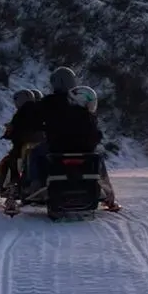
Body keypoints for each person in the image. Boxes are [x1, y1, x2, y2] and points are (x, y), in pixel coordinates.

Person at [22, 67, 102, 197]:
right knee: (97, 157)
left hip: (57, 146)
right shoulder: (80, 100)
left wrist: (39, 126)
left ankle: (35, 184)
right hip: (84, 148)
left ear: (56, 82)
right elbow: (93, 126)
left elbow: (35, 119)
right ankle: (103, 185)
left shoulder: (49, 101)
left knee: (33, 153)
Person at [68, 83, 121, 211]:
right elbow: (95, 136)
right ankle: (109, 197)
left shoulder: (63, 114)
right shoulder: (88, 117)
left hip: (59, 150)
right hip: (85, 152)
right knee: (99, 164)